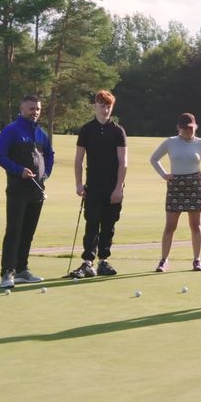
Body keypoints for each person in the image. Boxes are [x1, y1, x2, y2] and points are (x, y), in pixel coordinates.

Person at [0, 94, 53, 288]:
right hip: (18, 188)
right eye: (31, 109)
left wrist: (44, 175)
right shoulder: (12, 130)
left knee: (28, 232)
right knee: (14, 230)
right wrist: (19, 170)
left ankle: (22, 269)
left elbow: (50, 156)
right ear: (22, 109)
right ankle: (7, 272)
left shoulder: (41, 133)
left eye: (38, 109)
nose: (35, 112)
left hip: (37, 189)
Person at [149, 113, 201, 272]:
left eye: (191, 129)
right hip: (175, 185)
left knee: (195, 225)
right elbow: (154, 159)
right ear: (179, 128)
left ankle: (197, 260)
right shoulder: (170, 142)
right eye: (186, 129)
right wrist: (163, 174)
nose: (189, 132)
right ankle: (164, 260)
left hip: (195, 186)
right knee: (170, 226)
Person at [68, 90, 127, 278]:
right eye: (102, 106)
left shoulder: (118, 131)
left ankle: (103, 261)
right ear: (95, 105)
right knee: (92, 223)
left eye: (109, 106)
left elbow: (123, 162)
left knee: (109, 225)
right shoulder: (86, 130)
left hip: (113, 186)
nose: (105, 110)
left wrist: (119, 187)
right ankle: (87, 262)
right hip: (92, 185)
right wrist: (78, 184)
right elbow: (78, 160)